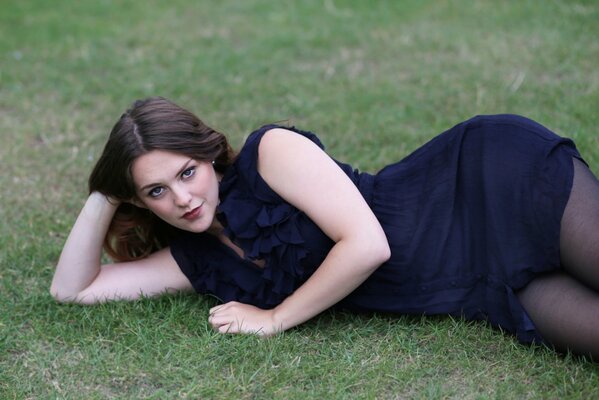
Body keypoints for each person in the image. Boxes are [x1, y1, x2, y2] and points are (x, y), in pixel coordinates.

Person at [51, 97, 599, 359]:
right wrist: (106, 189)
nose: (183, 198)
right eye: (156, 192)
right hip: (478, 285)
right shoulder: (197, 261)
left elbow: (368, 245)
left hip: (486, 185)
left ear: (208, 153)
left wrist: (274, 318)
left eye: (186, 172)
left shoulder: (271, 153)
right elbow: (73, 290)